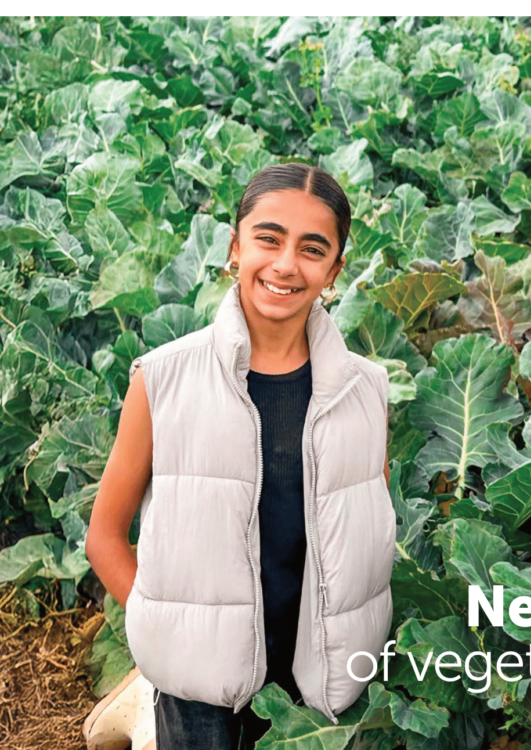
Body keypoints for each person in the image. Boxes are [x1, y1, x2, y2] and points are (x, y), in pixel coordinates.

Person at [85, 163, 396, 749]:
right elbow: (104, 536)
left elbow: (371, 535)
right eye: (268, 239)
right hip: (199, 693)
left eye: (312, 249)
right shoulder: (162, 378)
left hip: (319, 686)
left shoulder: (367, 391)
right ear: (235, 248)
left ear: (334, 271)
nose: (286, 264)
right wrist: (168, 632)